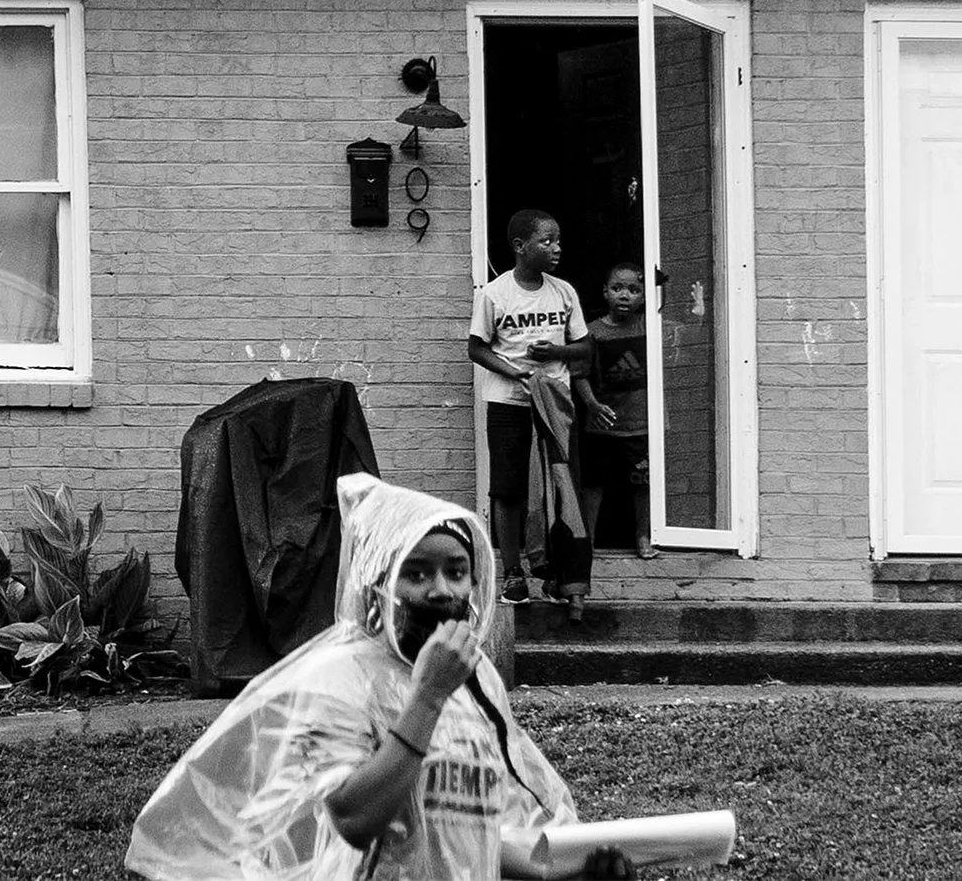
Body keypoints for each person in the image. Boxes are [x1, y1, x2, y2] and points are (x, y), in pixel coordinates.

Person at [126, 472, 631, 880]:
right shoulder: (342, 677)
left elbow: (470, 828)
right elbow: (353, 819)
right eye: (416, 573)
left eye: (456, 571)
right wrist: (428, 696)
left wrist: (562, 871)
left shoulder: (477, 683)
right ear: (376, 589)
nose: (442, 590)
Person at [468, 208, 591, 607]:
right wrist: (515, 372)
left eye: (557, 240)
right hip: (509, 402)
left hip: (555, 404)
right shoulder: (495, 294)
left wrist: (556, 350)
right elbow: (476, 348)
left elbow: (585, 348)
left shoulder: (564, 291)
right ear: (520, 247)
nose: (557, 248)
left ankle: (557, 575)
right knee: (508, 490)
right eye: (547, 241)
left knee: (558, 486)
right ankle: (512, 574)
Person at [574, 262, 659, 560]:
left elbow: (690, 333)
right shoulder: (592, 332)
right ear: (605, 293)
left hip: (642, 423)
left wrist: (697, 306)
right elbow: (579, 373)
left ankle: (644, 536)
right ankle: (589, 540)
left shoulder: (651, 327)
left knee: (644, 483)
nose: (625, 295)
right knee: (594, 483)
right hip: (603, 424)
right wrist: (592, 405)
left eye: (634, 290)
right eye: (617, 288)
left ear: (645, 296)